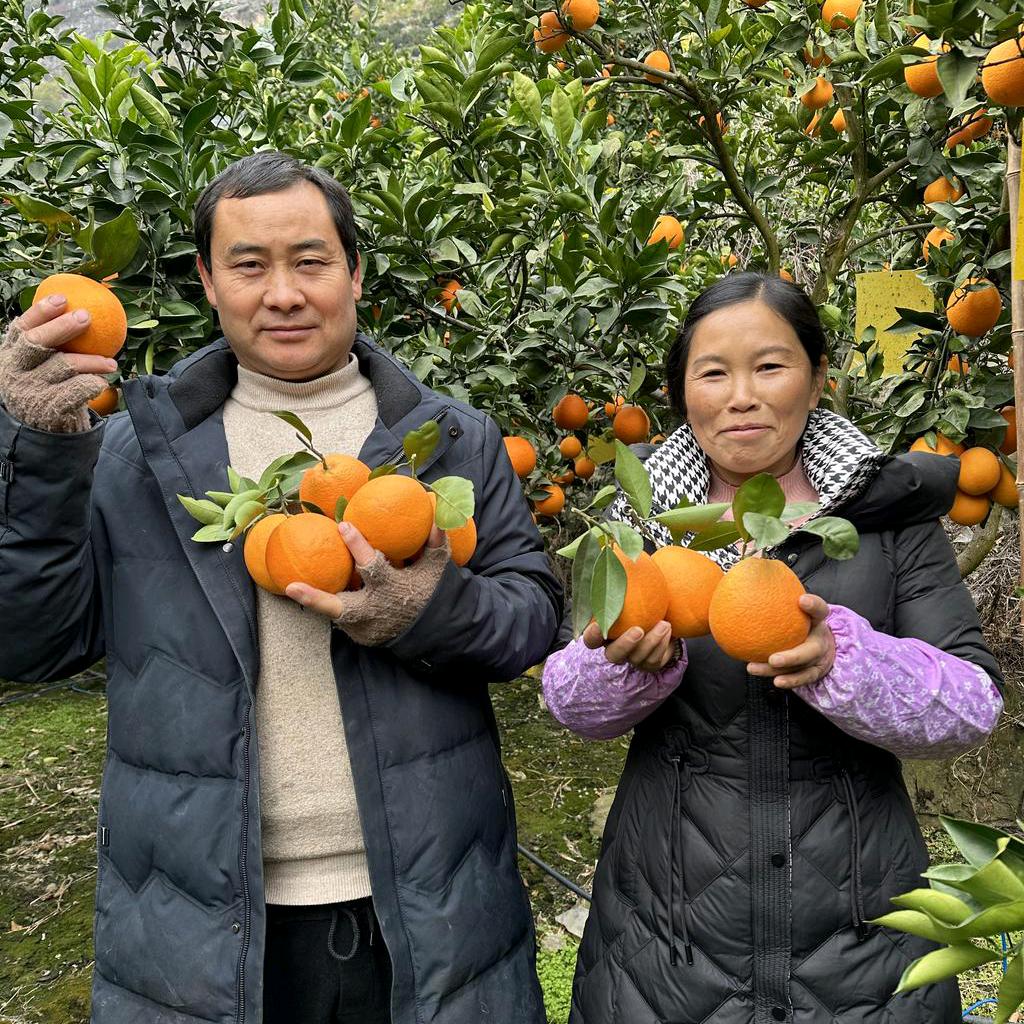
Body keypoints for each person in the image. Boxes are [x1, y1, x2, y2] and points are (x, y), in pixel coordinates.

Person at [0, 151, 562, 1024]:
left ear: (355, 272)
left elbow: (531, 620)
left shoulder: (450, 440)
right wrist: (39, 450)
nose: (284, 294)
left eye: (310, 261)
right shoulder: (134, 452)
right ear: (207, 281)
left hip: (429, 909)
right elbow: (34, 644)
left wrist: (427, 613)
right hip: (198, 925)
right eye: (249, 265)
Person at [542, 272, 1003, 1023]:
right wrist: (625, 667)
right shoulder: (638, 527)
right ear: (681, 392)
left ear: (816, 379)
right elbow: (569, 701)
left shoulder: (888, 516)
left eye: (769, 366)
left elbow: (972, 705)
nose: (741, 396)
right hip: (666, 942)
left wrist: (843, 661)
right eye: (713, 373)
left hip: (862, 938)